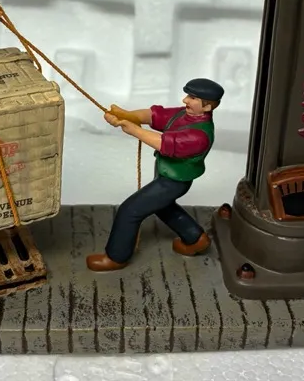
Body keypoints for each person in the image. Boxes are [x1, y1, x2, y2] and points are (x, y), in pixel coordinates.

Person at [86, 78, 224, 272]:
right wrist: (128, 115)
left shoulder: (199, 136)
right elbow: (154, 116)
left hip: (174, 182)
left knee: (130, 211)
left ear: (207, 107)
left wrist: (134, 130)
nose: (185, 100)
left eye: (193, 98)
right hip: (166, 174)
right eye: (188, 95)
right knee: (163, 207)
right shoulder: (183, 114)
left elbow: (163, 143)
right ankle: (195, 238)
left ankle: (116, 257)